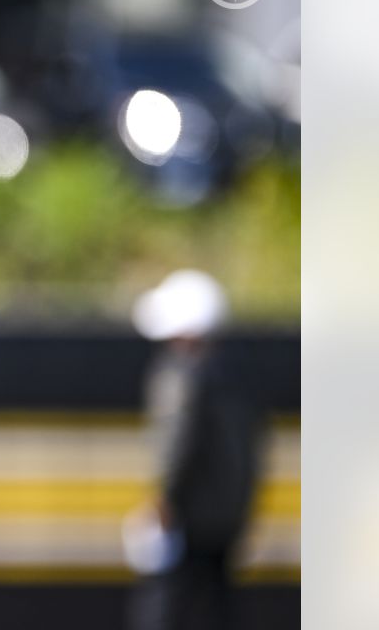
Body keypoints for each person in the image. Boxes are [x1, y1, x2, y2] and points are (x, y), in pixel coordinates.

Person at [126, 270, 266, 630]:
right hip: (226, 519)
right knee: (217, 605)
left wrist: (164, 499)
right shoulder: (237, 375)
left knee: (165, 603)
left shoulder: (184, 375)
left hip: (190, 518)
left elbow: (178, 443)